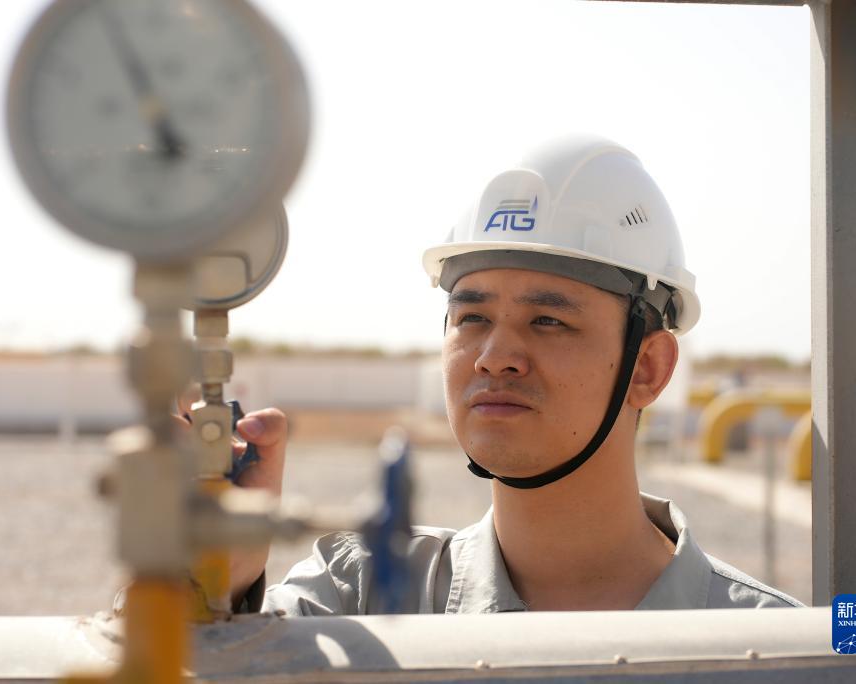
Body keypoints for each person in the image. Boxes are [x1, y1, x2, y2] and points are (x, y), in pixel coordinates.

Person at [218, 135, 803, 615]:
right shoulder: (357, 598)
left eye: (548, 320)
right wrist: (211, 590)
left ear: (647, 367)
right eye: (472, 317)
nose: (495, 356)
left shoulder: (778, 646)